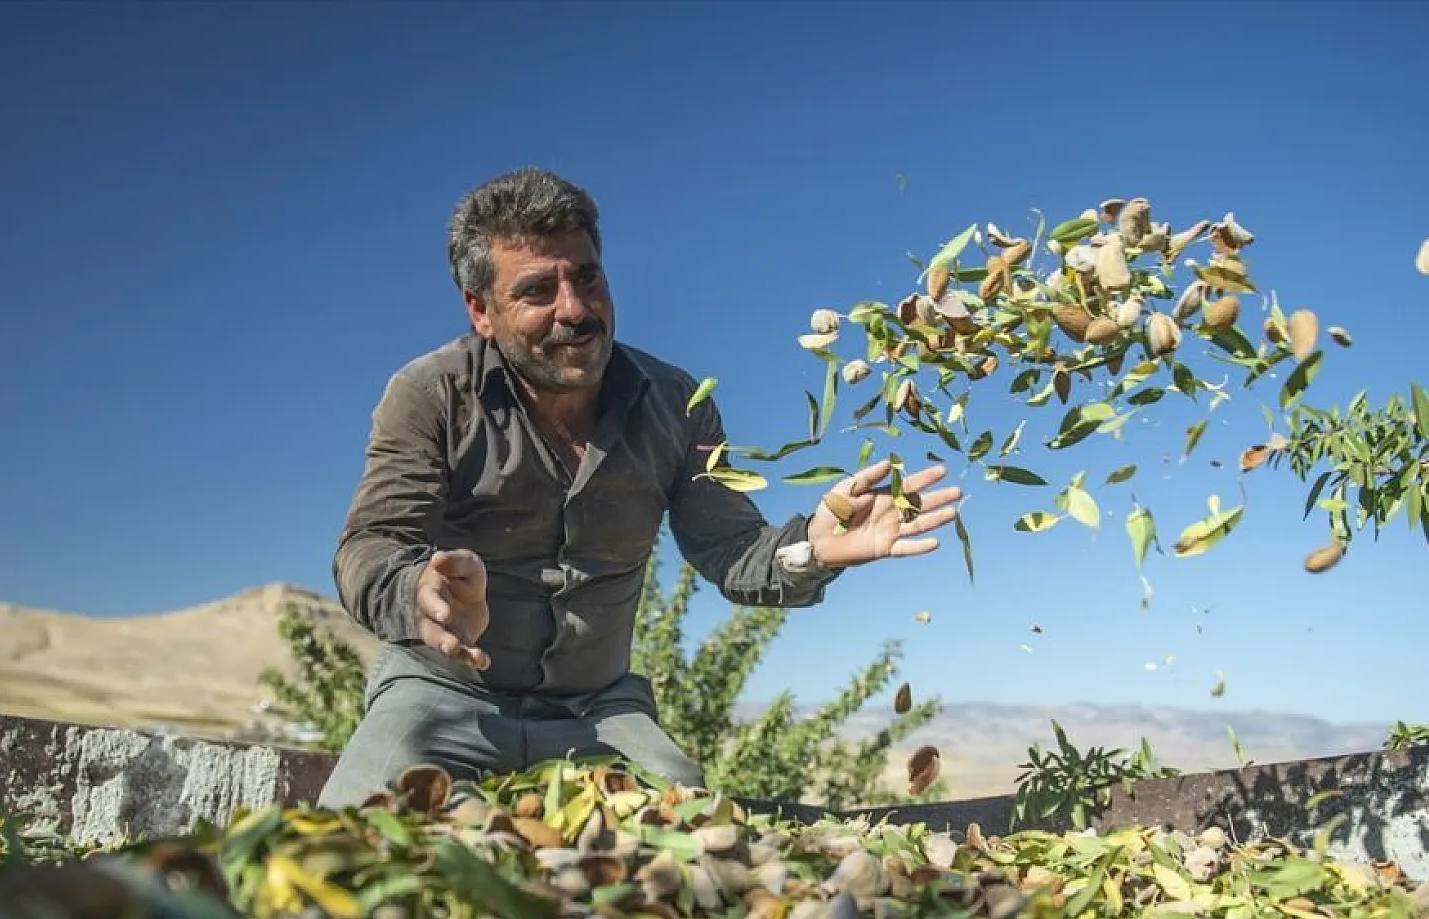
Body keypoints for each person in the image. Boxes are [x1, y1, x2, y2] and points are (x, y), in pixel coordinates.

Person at [314, 167, 962, 809]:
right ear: (481, 310)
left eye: (587, 277)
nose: (575, 309)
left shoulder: (678, 404)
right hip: (442, 696)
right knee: (342, 847)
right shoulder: (430, 394)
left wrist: (812, 551)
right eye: (538, 290)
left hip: (598, 712)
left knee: (698, 832)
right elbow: (370, 546)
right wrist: (417, 593)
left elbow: (732, 548)